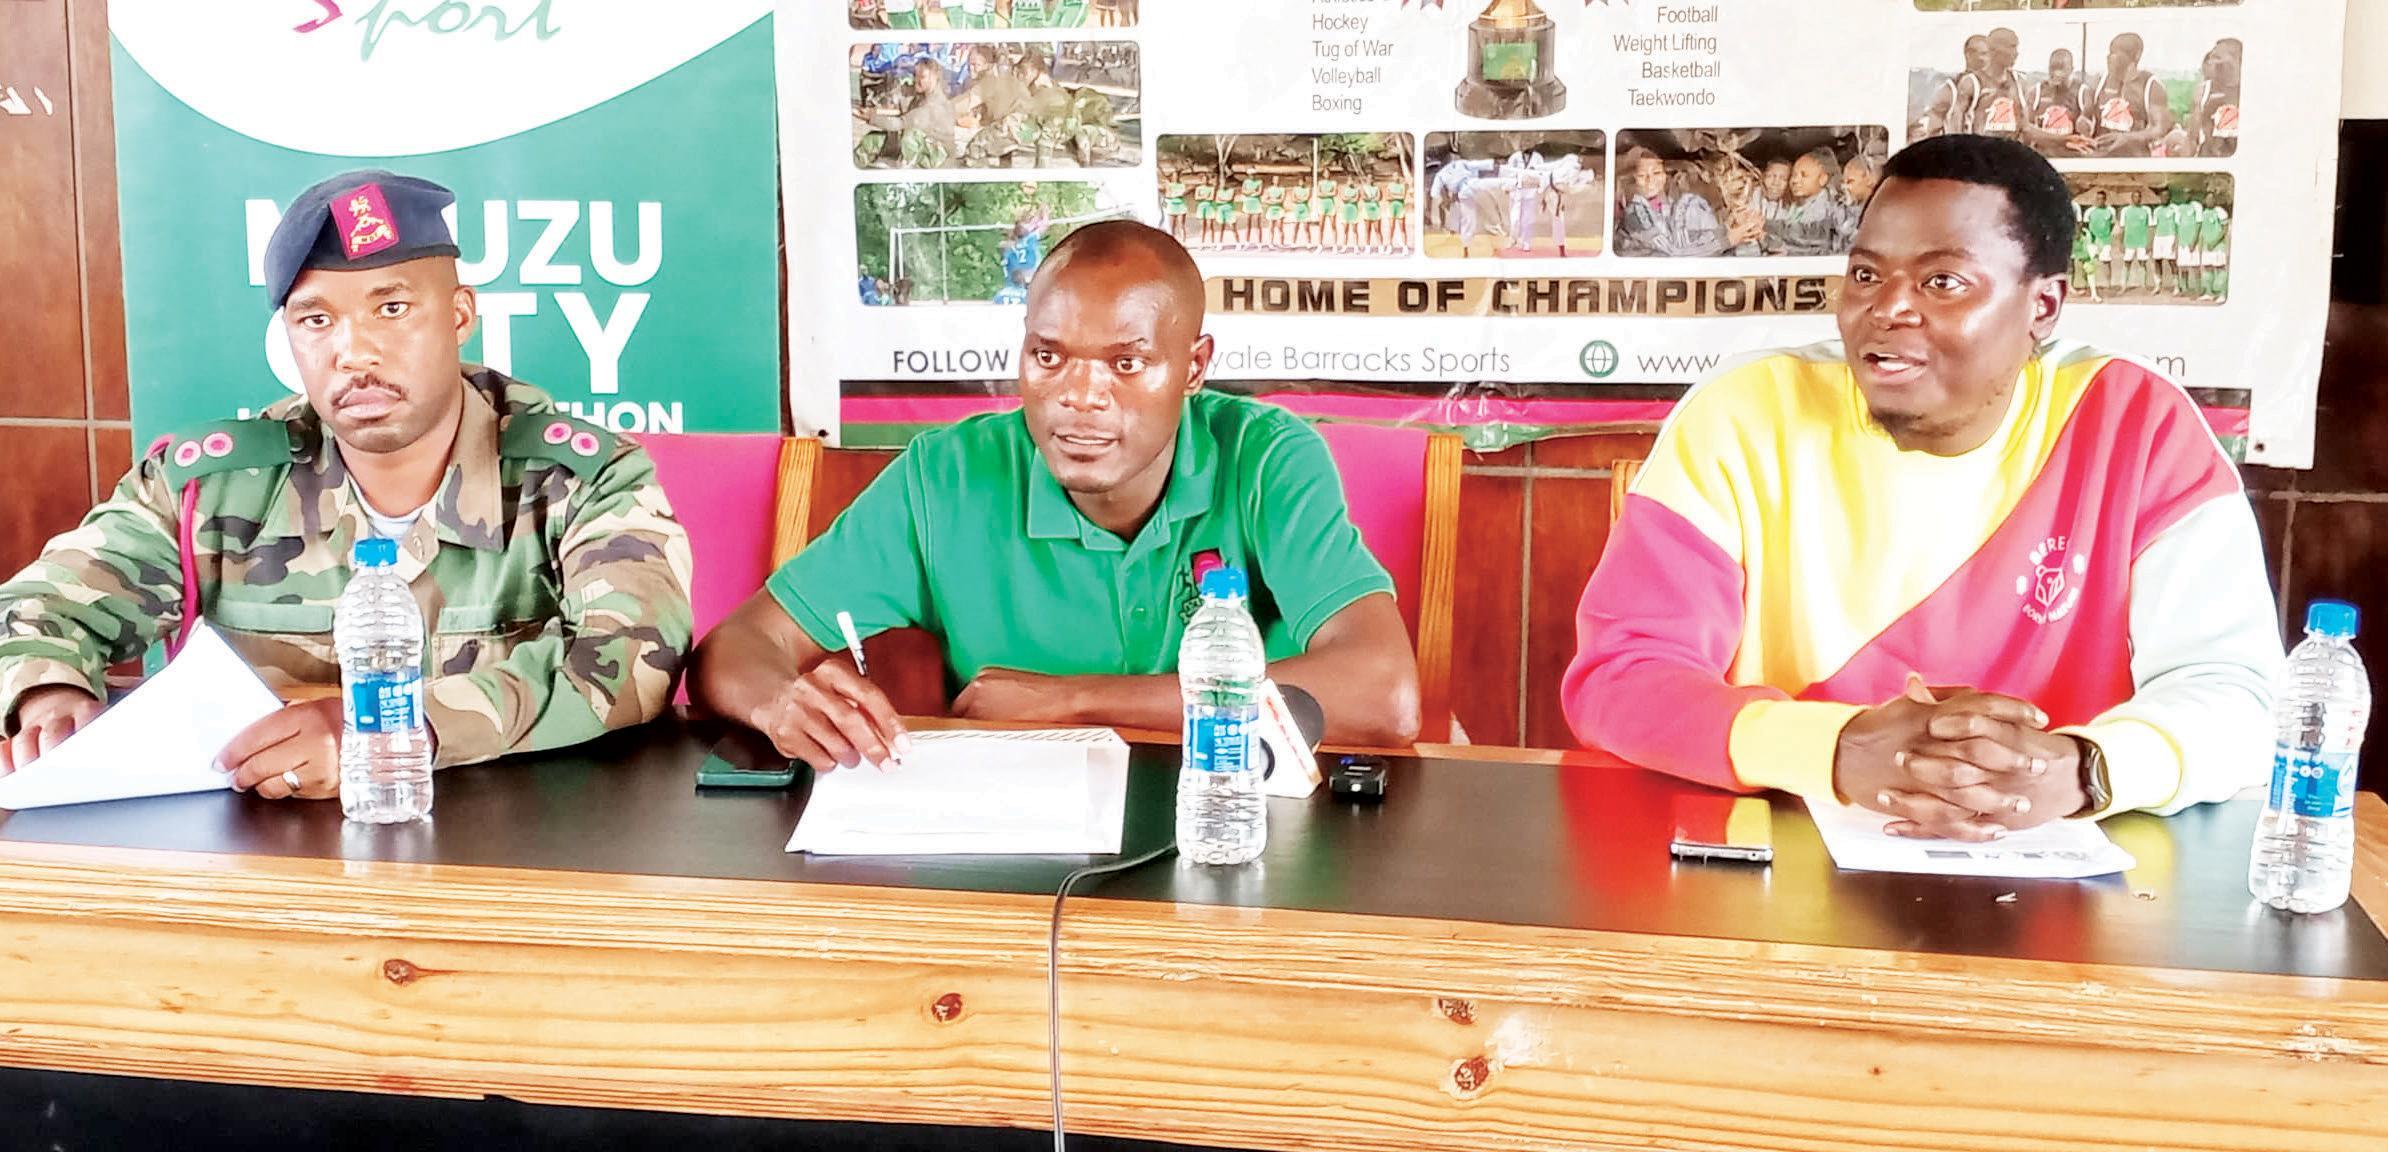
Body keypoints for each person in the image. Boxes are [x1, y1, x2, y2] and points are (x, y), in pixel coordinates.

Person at [1564, 135, 2279, 840]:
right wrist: (1835, 750)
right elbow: (1622, 678)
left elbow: (2239, 696)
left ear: (2043, 306)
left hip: (2066, 880)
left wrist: (2080, 769)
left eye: (1942, 282)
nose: (1888, 309)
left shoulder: (2136, 423)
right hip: (1775, 865)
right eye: (1866, 275)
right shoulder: (1744, 413)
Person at [0, 170, 694, 788]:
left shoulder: (580, 478)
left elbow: (634, 658)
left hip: (511, 851)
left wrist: (395, 731)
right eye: (316, 319)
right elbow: (39, 607)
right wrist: (46, 694)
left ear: (460, 315)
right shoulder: (211, 486)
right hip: (255, 857)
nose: (354, 353)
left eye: (392, 309)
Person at [689, 222, 1421, 764]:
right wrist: (781, 705)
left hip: (1232, 817)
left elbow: (1384, 695)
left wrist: (1071, 698)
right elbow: (739, 646)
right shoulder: (946, 476)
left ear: (1194, 367)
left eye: (1127, 364)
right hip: (1023, 844)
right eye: (1049, 356)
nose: (1080, 397)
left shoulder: (1266, 459)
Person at [1614, 147, 1724, 258]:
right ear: (1634, 179)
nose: (1650, 180)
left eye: (1656, 173)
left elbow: (1704, 235)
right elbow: (1672, 253)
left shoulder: (1679, 205)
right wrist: (1723, 241)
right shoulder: (1634, 213)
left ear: (1664, 175)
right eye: (1642, 175)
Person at [2086, 33, 2173, 158]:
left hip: (2135, 161)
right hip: (2101, 159)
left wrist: (2127, 138)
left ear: (2135, 56)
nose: (2109, 57)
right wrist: (2083, 124)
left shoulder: (2150, 85)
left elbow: (2160, 129)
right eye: (2109, 53)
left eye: (2115, 53)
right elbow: (2086, 117)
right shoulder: (2098, 82)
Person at [1769, 148, 1845, 257]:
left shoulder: (1825, 207)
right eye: (1793, 175)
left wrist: (1765, 225)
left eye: (1804, 175)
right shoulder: (1797, 205)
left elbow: (1803, 237)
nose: (1795, 181)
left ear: (1822, 179)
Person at [1955, 28, 2028, 141]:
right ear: (1994, 50)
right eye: (2012, 47)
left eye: (2016, 47)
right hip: (1980, 149)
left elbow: (2026, 127)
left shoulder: (2019, 82)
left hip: (2011, 149)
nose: (2016, 53)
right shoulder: (1972, 83)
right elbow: (1955, 124)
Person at [2022, 48, 2090, 157]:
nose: (2056, 73)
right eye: (2053, 68)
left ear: (2071, 69)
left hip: (2071, 155)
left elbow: (2088, 130)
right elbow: (2027, 129)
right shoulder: (2036, 92)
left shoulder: (2082, 92)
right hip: (2043, 155)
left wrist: (2084, 124)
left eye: (2061, 68)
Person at [1920, 36, 1992, 138]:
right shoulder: (1960, 84)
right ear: (1968, 55)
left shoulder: (1992, 85)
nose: (1987, 59)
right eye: (1984, 53)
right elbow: (1953, 121)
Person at [2194, 39, 2241, 158]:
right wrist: (2207, 114)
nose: (2212, 62)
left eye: (2218, 57)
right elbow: (2192, 136)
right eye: (2212, 57)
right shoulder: (2203, 92)